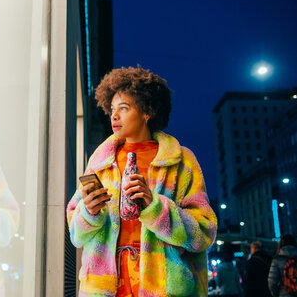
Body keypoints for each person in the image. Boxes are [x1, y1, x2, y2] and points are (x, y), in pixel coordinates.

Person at [66, 67, 218, 296]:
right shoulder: (99, 162)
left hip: (162, 286)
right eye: (112, 109)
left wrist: (154, 207)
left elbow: (203, 234)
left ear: (147, 111)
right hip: (104, 287)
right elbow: (76, 235)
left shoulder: (180, 161)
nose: (114, 116)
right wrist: (88, 212)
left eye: (124, 108)